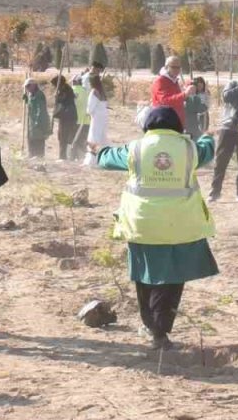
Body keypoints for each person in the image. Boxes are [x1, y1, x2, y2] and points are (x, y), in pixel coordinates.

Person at [92, 107, 218, 350]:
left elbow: (108, 159)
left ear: (147, 127)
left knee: (145, 275)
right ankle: (160, 329)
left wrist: (99, 150)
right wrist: (208, 136)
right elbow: (206, 150)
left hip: (143, 225)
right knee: (173, 278)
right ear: (177, 126)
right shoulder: (189, 148)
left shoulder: (136, 148)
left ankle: (151, 327)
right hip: (180, 225)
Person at [209, 66, 238, 203]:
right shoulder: (233, 84)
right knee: (221, 161)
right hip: (228, 127)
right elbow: (226, 97)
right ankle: (215, 192)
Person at [151, 55, 192, 126]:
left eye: (178, 67)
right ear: (166, 67)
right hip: (164, 122)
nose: (177, 70)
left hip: (176, 122)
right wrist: (184, 94)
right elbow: (165, 101)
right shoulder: (160, 81)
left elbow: (177, 100)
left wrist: (187, 95)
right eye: (174, 67)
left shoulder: (174, 80)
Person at [83, 74, 110, 167]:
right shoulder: (102, 92)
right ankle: (103, 159)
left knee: (93, 138)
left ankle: (91, 161)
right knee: (102, 138)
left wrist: (87, 112)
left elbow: (90, 108)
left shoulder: (94, 92)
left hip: (96, 118)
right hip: (104, 117)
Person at [51, 75, 79, 161]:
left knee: (63, 136)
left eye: (55, 85)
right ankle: (68, 156)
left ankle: (63, 157)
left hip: (67, 116)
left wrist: (57, 96)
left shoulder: (65, 90)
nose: (55, 87)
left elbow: (62, 99)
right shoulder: (66, 89)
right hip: (69, 116)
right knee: (65, 136)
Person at [23, 80, 51, 159]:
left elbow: (40, 108)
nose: (27, 88)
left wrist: (38, 120)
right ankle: (31, 154)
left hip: (39, 119)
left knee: (38, 137)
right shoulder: (30, 94)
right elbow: (31, 105)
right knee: (31, 137)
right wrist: (26, 100)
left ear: (34, 85)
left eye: (28, 86)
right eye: (26, 87)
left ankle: (39, 155)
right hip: (32, 119)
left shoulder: (39, 94)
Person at [70, 74, 91, 159]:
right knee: (83, 140)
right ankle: (83, 157)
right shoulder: (85, 91)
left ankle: (73, 157)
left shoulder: (73, 91)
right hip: (86, 120)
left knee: (74, 140)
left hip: (76, 120)